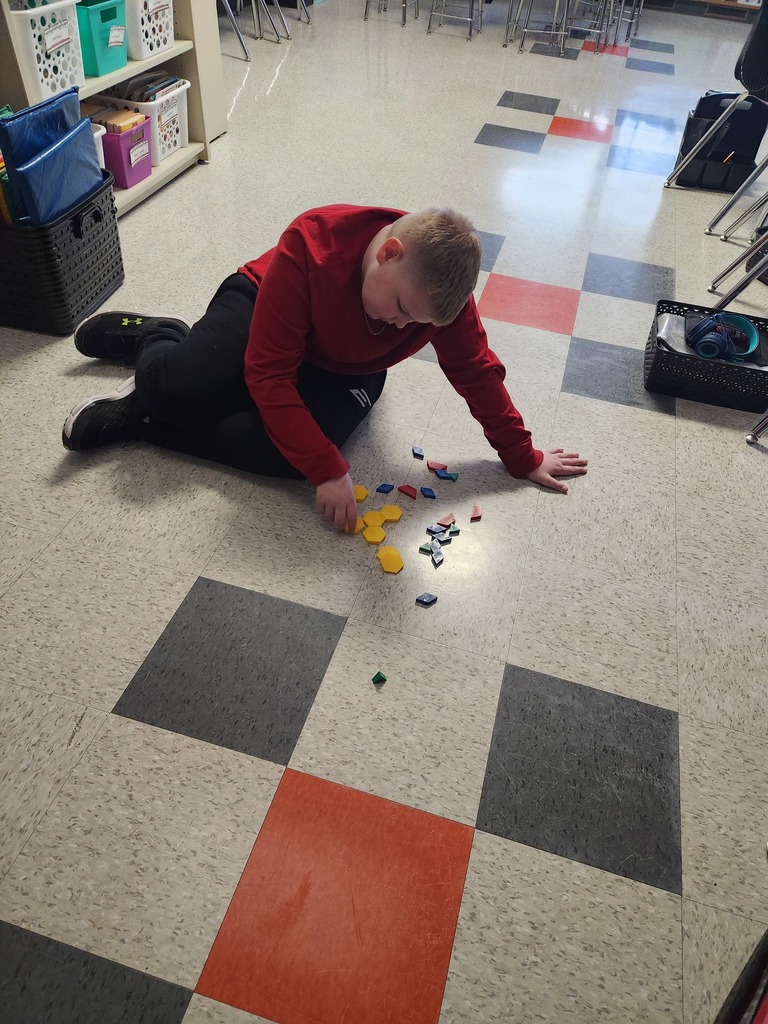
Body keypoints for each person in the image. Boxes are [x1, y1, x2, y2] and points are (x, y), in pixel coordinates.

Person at [62, 204, 587, 530]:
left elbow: (476, 372)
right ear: (389, 254)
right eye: (402, 310)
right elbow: (269, 375)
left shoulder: (436, 297)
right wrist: (328, 467)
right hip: (263, 307)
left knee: (296, 457)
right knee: (179, 389)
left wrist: (521, 457)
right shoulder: (311, 244)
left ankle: (146, 422)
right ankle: (158, 336)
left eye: (418, 326)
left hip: (346, 366)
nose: (404, 329)